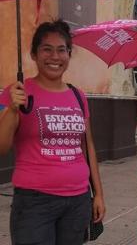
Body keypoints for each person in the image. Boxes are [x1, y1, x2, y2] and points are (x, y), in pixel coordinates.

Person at [0, 19, 105, 245]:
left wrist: (98, 194)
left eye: (61, 50)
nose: (54, 57)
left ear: (68, 55)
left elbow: (88, 147)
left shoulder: (78, 96)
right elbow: (1, 147)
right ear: (34, 54)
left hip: (78, 200)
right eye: (47, 49)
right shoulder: (16, 92)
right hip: (34, 203)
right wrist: (11, 110)